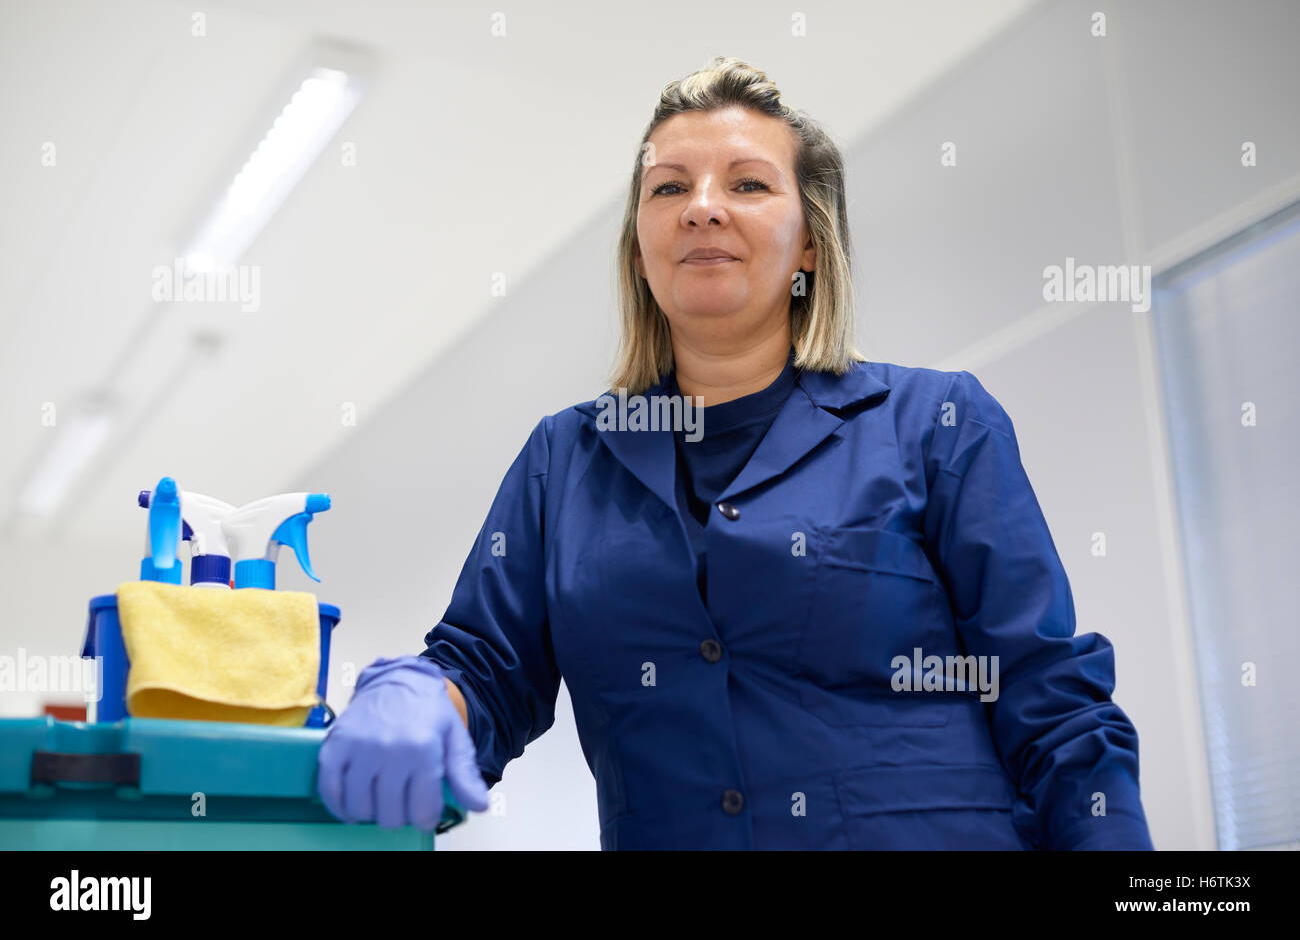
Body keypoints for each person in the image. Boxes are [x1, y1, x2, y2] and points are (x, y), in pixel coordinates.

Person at [317, 57, 1155, 850]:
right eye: (668, 187)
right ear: (640, 251)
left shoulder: (936, 422)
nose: (701, 207)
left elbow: (1052, 704)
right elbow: (486, 669)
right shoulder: (563, 462)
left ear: (810, 245)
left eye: (748, 184)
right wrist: (422, 692)